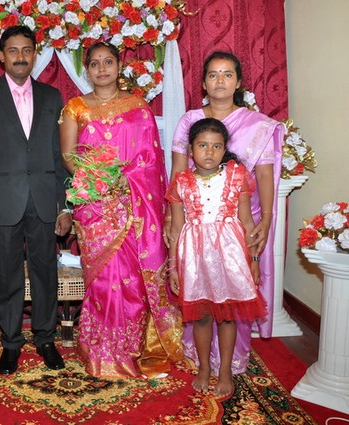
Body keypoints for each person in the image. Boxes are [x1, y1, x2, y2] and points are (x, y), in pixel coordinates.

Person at [59, 41, 183, 378]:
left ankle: (133, 348)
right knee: (103, 281)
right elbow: (69, 156)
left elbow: (152, 161)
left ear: (119, 66)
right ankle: (102, 351)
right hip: (95, 207)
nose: (102, 69)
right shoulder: (75, 108)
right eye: (95, 63)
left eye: (108, 62)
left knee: (133, 280)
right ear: (87, 70)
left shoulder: (138, 106)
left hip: (134, 205)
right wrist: (98, 181)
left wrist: (125, 183)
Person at [169, 51, 284, 375]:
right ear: (204, 83)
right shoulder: (189, 120)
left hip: (238, 219)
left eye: (227, 74)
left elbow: (264, 175)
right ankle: (201, 359)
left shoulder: (257, 124)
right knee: (200, 296)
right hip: (196, 219)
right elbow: (178, 171)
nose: (220, 81)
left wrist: (265, 220)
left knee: (235, 296)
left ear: (239, 82)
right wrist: (170, 218)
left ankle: (231, 363)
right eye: (213, 74)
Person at [0, 25, 72, 375]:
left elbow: (58, 156)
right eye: (13, 50)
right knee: (9, 275)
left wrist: (64, 206)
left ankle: (45, 339)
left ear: (34, 54)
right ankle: (11, 343)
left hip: (43, 201)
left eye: (26, 50)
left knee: (45, 273)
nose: (20, 57)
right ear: (1, 56)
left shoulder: (51, 96)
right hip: (2, 203)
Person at [166, 118, 267, 396]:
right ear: (191, 150)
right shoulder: (181, 183)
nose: (209, 152)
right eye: (202, 146)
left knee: (227, 316)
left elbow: (247, 223)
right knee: (201, 316)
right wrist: (174, 267)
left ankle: (224, 371)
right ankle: (203, 368)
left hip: (230, 257)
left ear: (224, 149)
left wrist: (254, 261)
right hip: (195, 259)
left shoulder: (236, 177)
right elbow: (176, 229)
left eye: (216, 146)